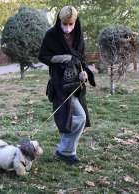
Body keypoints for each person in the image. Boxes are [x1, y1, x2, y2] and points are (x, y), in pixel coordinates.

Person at [38, 5, 96, 164]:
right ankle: (65, 151)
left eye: (71, 24)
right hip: (59, 84)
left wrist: (83, 72)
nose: (68, 28)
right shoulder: (51, 35)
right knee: (76, 117)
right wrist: (62, 58)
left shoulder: (78, 34)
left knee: (79, 119)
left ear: (75, 22)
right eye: (65, 24)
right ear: (59, 21)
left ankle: (65, 151)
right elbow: (42, 56)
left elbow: (81, 57)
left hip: (76, 83)